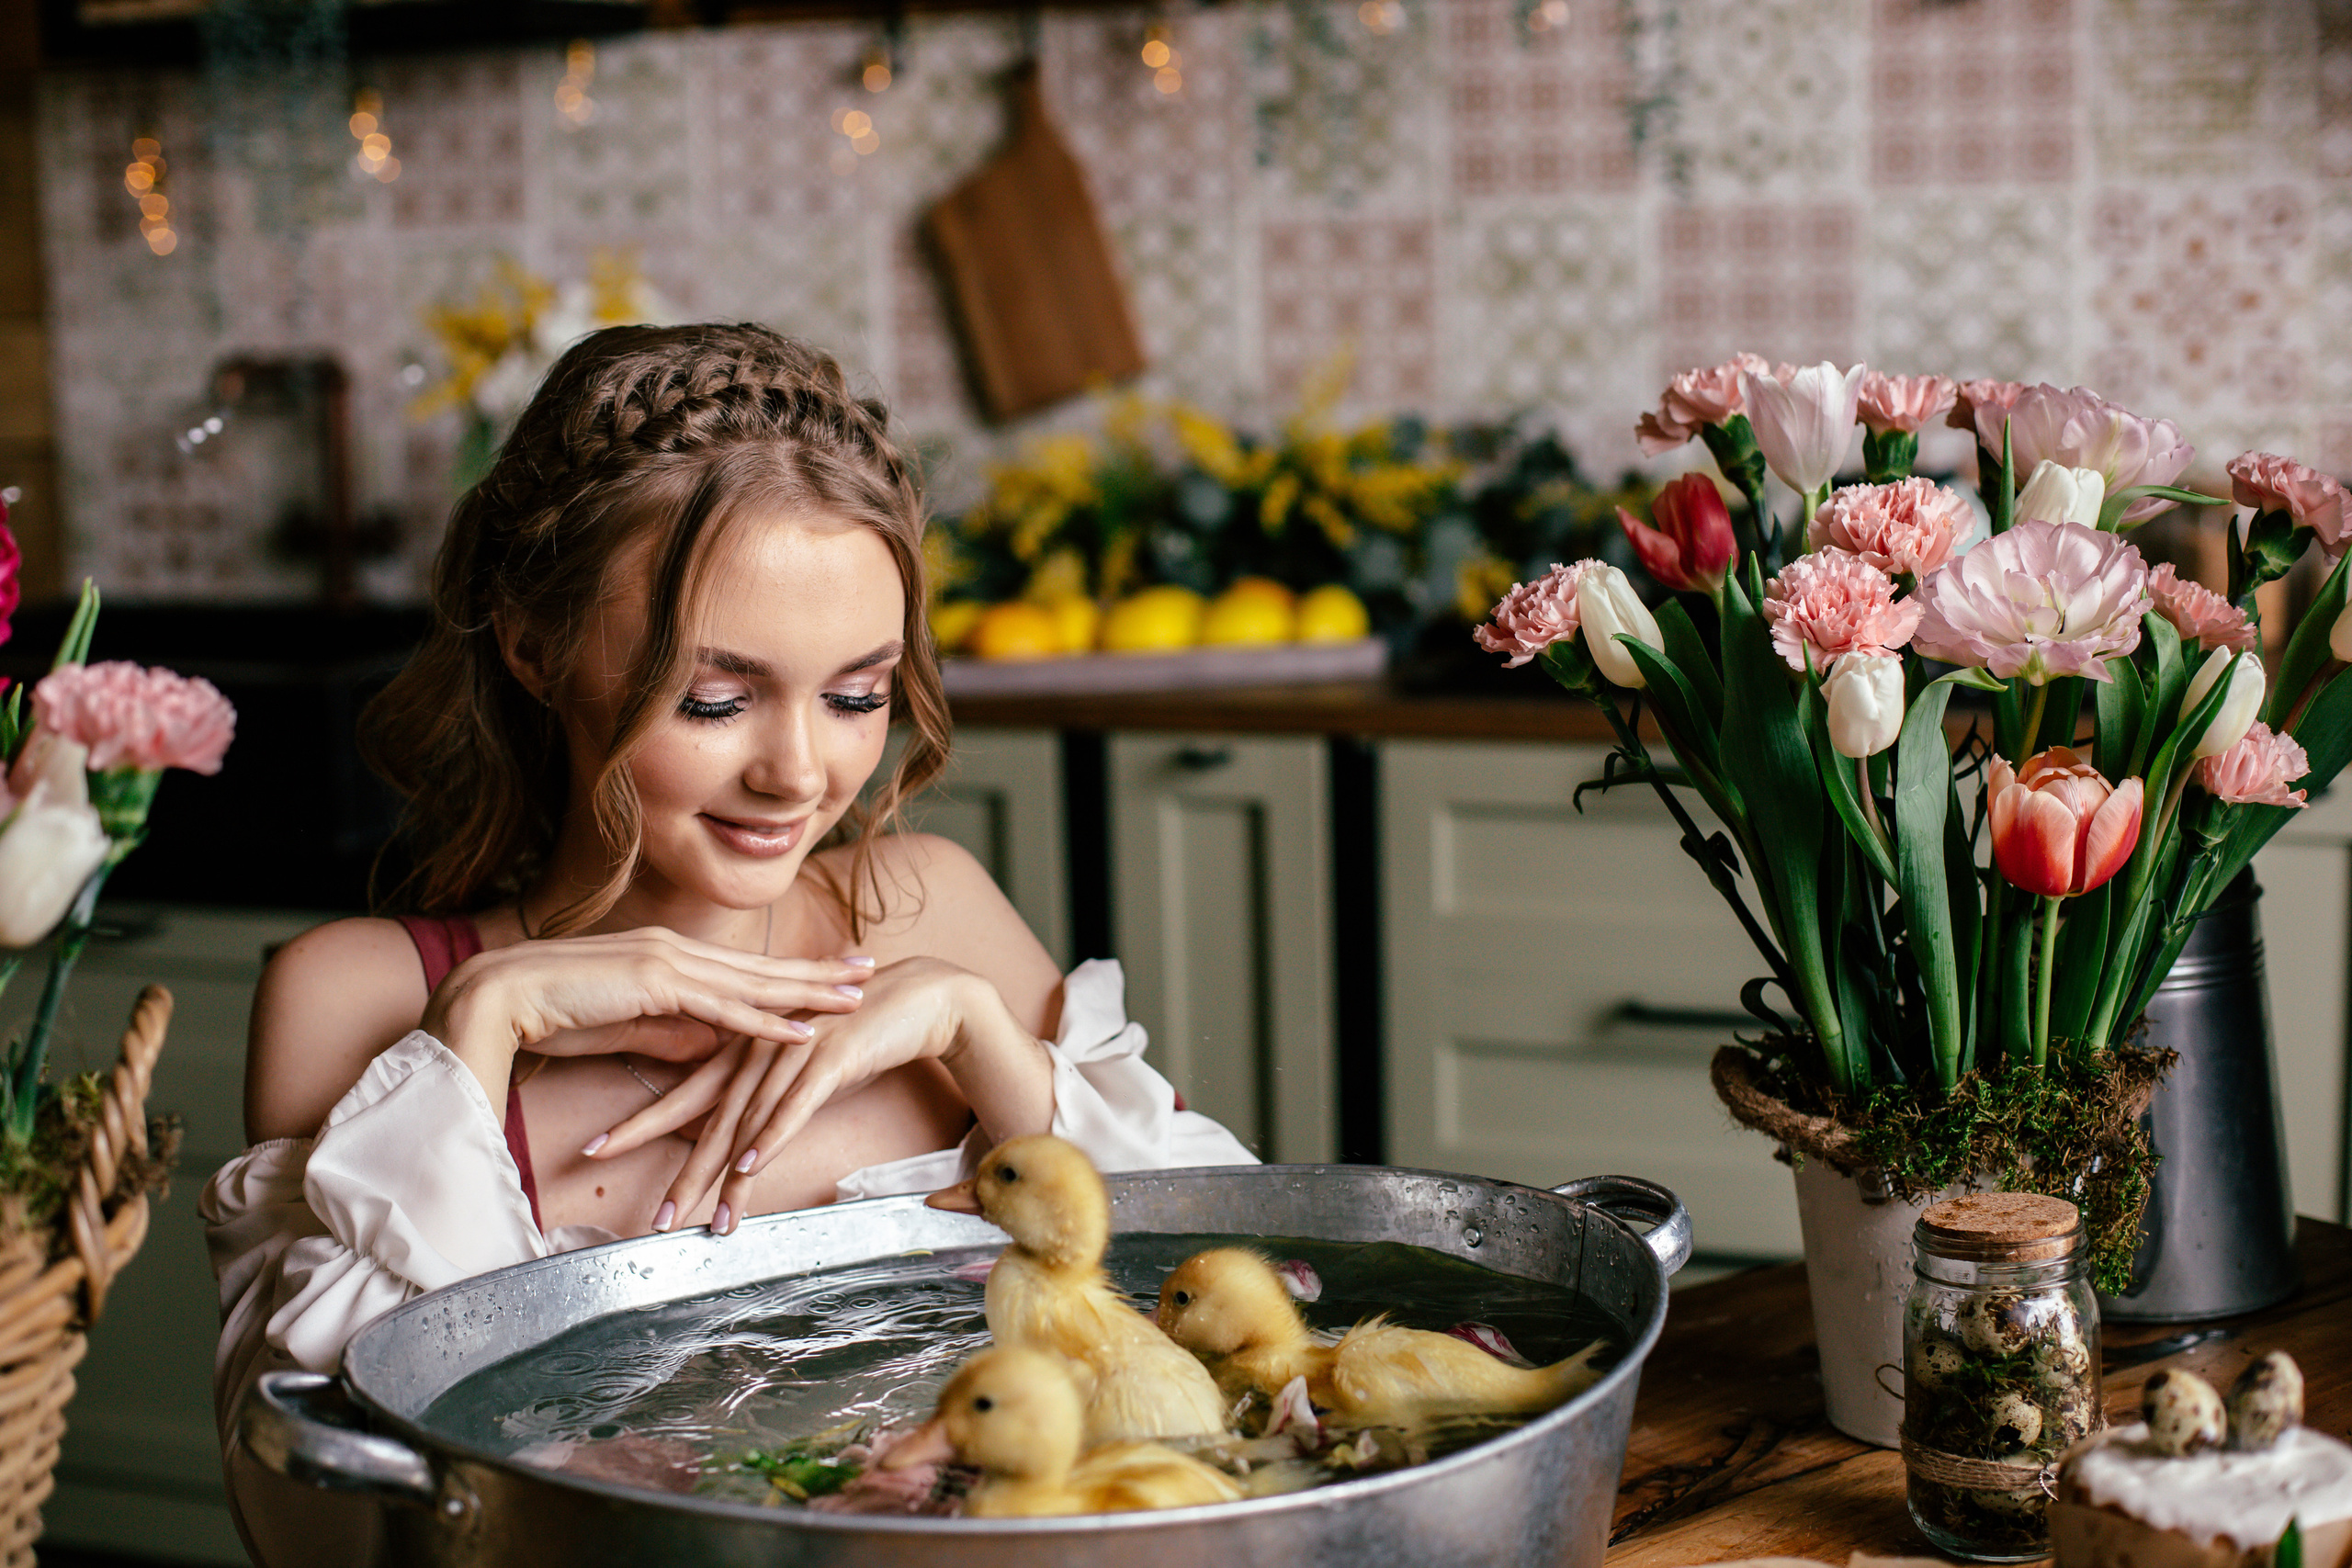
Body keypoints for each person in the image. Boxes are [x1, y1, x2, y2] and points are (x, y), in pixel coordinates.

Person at [201, 323, 1254, 1567]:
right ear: (537, 646)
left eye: (857, 695)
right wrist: (478, 1028)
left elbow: (1239, 1342)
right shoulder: (360, 997)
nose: (798, 773)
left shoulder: (927, 906)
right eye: (716, 700)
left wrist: (976, 1031)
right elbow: (328, 1533)